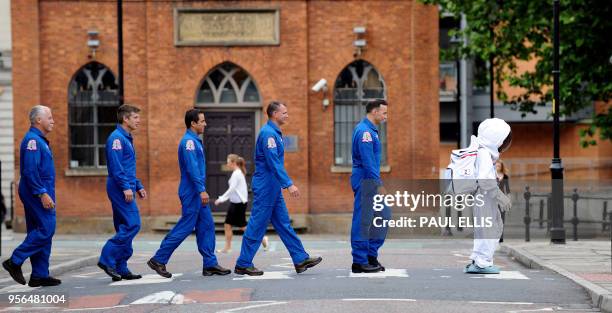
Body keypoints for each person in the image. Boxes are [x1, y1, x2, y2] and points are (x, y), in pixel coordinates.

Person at [234, 101, 322, 276]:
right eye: (284, 113)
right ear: (274, 114)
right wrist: (288, 184)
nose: (287, 115)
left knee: (284, 224)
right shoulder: (268, 135)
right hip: (266, 187)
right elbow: (273, 162)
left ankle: (300, 258)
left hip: (272, 187)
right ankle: (243, 263)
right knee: (257, 226)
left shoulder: (274, 133)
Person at [147, 109, 231, 278]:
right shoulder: (189, 143)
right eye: (202, 121)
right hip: (192, 192)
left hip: (196, 191)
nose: (205, 124)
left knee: (207, 226)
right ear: (193, 123)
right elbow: (192, 169)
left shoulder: (194, 141)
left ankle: (210, 264)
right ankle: (158, 259)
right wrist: (201, 189)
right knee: (185, 227)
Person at [2, 105, 61, 287]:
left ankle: (39, 275)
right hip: (36, 191)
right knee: (47, 228)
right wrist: (41, 193)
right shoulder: (33, 141)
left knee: (39, 230)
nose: (52, 120)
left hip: (38, 189)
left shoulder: (39, 140)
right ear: (38, 120)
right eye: (49, 117)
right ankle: (14, 261)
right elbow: (30, 170)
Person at [98, 104, 146, 281]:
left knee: (123, 226)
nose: (138, 120)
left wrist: (138, 185)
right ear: (125, 119)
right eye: (135, 117)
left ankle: (121, 267)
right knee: (133, 224)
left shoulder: (126, 138)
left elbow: (128, 167)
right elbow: (117, 168)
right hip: (119, 186)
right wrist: (126, 187)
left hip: (124, 184)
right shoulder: (117, 139)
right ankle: (106, 258)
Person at [465, 118, 512, 274]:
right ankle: (483, 262)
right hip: (485, 196)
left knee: (486, 227)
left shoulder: (482, 151)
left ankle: (479, 260)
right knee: (490, 228)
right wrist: (501, 197)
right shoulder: (484, 153)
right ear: (496, 139)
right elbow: (486, 181)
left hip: (482, 196)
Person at [350, 99, 389, 273]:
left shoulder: (371, 131)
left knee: (383, 216)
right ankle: (359, 261)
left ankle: (370, 255)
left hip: (370, 180)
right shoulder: (365, 132)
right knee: (363, 220)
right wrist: (378, 184)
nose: (386, 116)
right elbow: (368, 162)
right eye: (384, 112)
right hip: (366, 180)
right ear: (374, 112)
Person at [214, 154, 268, 253]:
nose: (227, 164)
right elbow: (234, 190)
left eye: (228, 162)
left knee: (242, 226)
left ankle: (262, 238)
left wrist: (221, 199)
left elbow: (232, 189)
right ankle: (228, 247)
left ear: (233, 163)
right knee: (228, 225)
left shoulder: (237, 173)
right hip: (235, 203)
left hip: (238, 204)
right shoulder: (237, 173)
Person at [496, 159, 510, 243]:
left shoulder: (505, 176)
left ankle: (501, 237)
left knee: (502, 218)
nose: (498, 167)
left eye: (499, 166)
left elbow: (508, 190)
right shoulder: (492, 176)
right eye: (496, 165)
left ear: (501, 167)